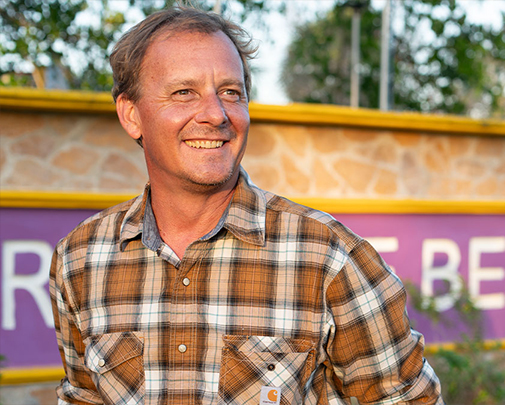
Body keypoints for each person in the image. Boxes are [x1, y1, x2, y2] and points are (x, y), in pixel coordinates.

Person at [49, 7, 443, 405]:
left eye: (231, 93)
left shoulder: (329, 257)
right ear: (131, 116)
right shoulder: (80, 260)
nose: (216, 114)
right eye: (184, 92)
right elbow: (82, 396)